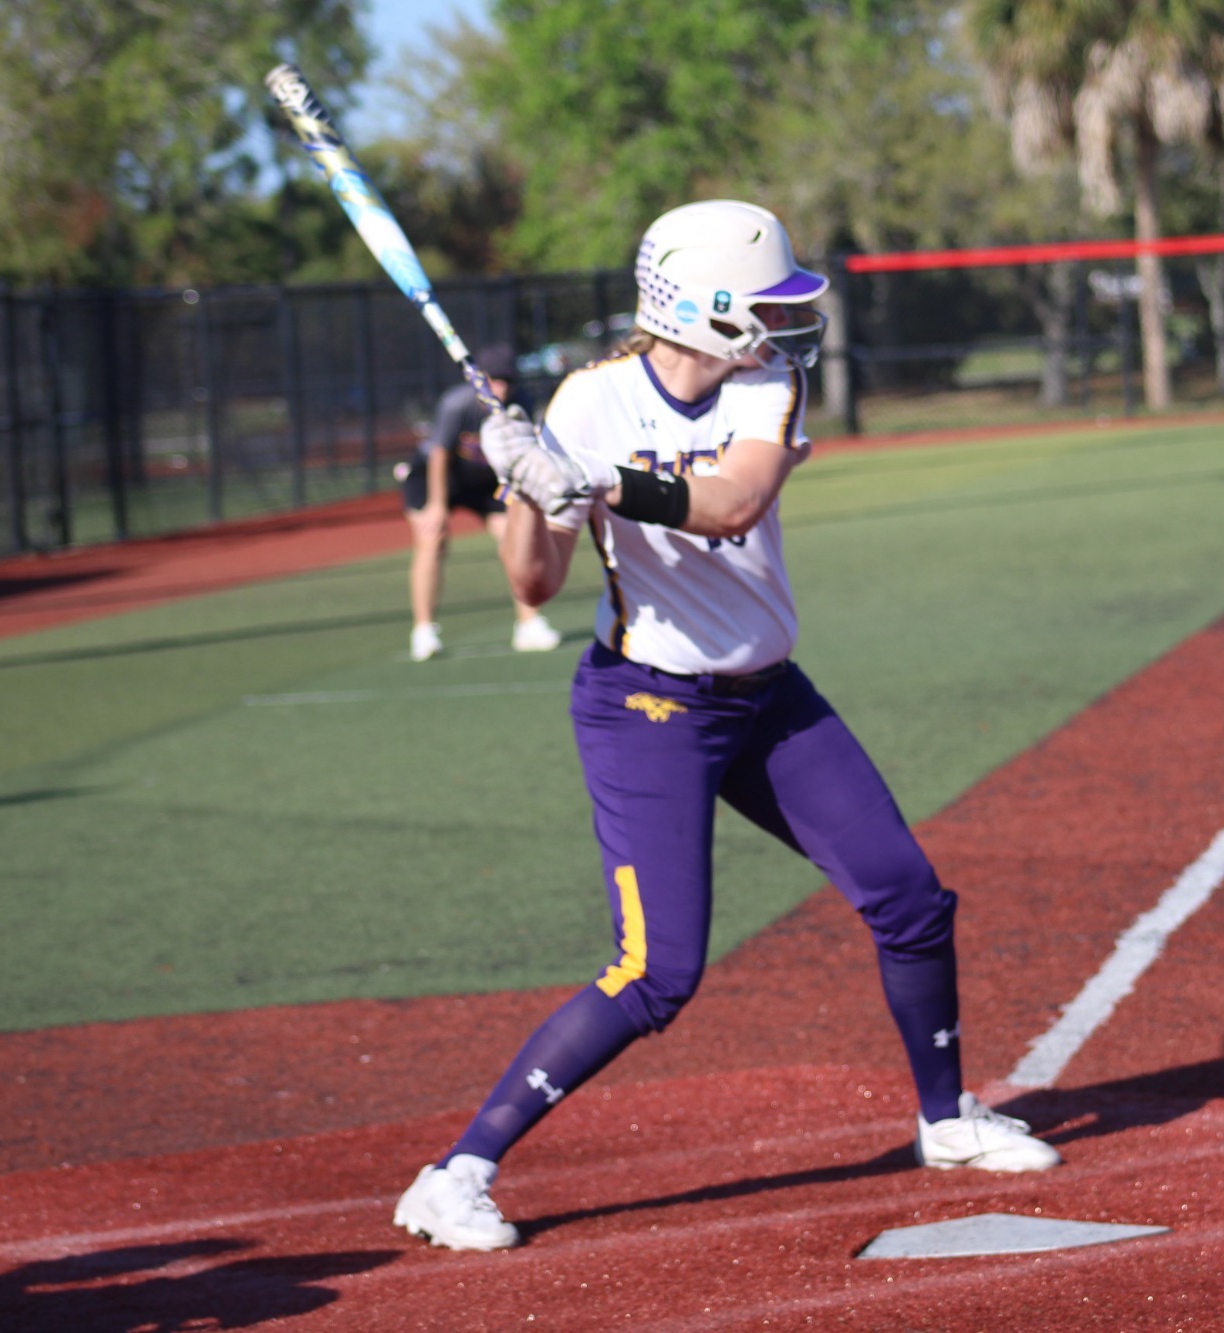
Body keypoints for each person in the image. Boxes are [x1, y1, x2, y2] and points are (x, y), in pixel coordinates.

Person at [391, 200, 1059, 1253]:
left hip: (768, 697)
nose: (785, 320)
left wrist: (597, 478)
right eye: (764, 301)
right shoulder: (590, 401)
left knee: (908, 896)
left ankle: (946, 1119)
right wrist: (527, 486)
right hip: (648, 707)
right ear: (702, 306)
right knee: (658, 971)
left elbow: (735, 499)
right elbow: (534, 582)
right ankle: (455, 1173)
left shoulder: (765, 383)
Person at [403, 343, 563, 660]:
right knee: (432, 540)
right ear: (479, 379)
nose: (500, 389)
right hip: (438, 476)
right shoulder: (457, 404)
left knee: (514, 539)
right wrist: (437, 506)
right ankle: (423, 631)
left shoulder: (521, 402)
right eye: (494, 380)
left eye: (507, 381)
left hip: (485, 480)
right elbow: (439, 454)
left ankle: (529, 624)